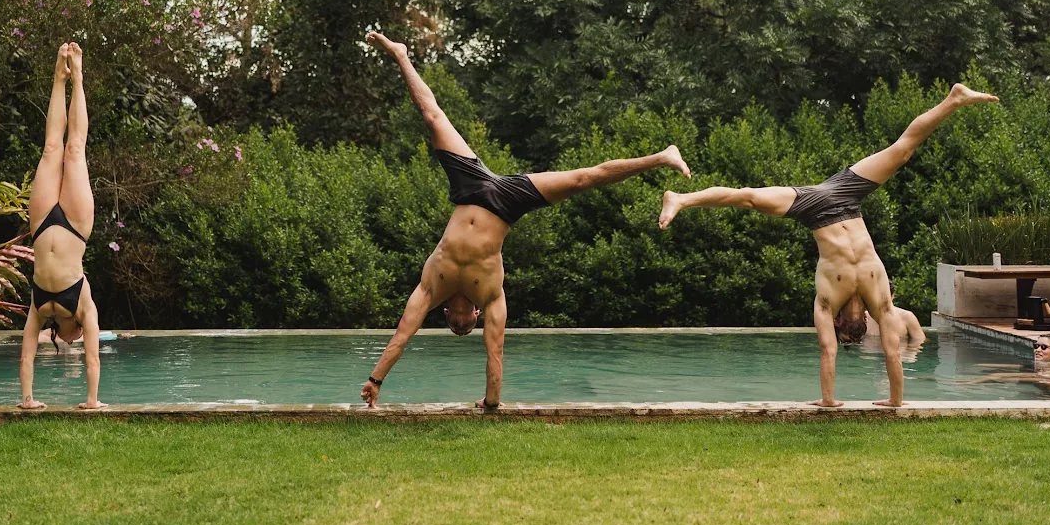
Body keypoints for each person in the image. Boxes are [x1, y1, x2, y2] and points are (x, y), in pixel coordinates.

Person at [359, 31, 690, 410]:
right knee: (583, 178)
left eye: (456, 324)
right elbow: (495, 353)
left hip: (470, 187)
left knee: (433, 117)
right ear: (477, 316)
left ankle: (401, 54)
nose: (462, 323)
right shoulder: (492, 296)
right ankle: (662, 156)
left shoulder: (432, 287)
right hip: (505, 202)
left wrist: (374, 379)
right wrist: (491, 402)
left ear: (450, 312)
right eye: (466, 327)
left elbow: (402, 335)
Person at [660, 82, 999, 407]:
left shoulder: (827, 302)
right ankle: (954, 99)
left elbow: (828, 350)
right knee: (903, 150)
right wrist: (894, 401)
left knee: (747, 197)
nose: (852, 331)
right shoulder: (878, 297)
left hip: (815, 208)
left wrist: (829, 400)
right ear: (862, 321)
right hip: (845, 198)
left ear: (841, 324)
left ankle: (681, 199)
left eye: (848, 333)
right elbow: (891, 350)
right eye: (855, 333)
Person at [18, 42, 107, 410]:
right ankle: (77, 77)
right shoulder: (85, 309)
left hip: (41, 224)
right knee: (74, 149)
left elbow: (25, 356)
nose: (74, 341)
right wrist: (92, 401)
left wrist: (27, 399)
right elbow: (94, 358)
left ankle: (60, 77)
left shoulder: (40, 310)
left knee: (53, 149)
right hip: (75, 224)